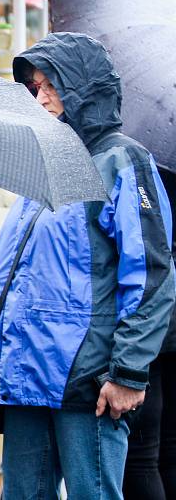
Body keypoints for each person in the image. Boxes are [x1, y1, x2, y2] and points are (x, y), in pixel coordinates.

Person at [0, 33, 175, 499]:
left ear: (84, 88)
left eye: (52, 83)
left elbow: (150, 274)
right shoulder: (48, 158)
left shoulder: (123, 160)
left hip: (86, 379)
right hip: (27, 375)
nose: (42, 96)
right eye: (36, 86)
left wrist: (128, 373)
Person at [123, 168, 176, 500]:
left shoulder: (144, 170)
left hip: (155, 325)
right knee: (169, 448)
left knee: (141, 458)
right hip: (166, 324)